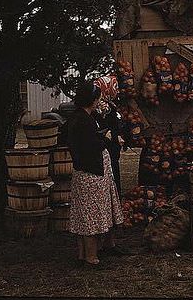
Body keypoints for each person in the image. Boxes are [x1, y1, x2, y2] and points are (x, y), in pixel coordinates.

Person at [67, 81, 126, 266]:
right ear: (92, 100)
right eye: (98, 97)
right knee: (91, 216)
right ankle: (91, 257)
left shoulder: (81, 117)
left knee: (84, 215)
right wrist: (106, 139)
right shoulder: (83, 121)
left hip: (86, 172)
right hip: (91, 172)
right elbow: (90, 146)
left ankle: (82, 255)